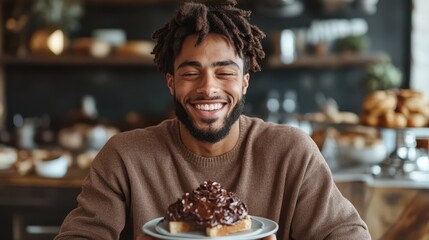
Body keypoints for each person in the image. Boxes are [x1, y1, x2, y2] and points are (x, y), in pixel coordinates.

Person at [55, 0, 371, 239]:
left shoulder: (292, 153)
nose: (208, 88)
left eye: (225, 72)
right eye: (191, 73)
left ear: (245, 82)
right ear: (171, 82)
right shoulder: (125, 156)